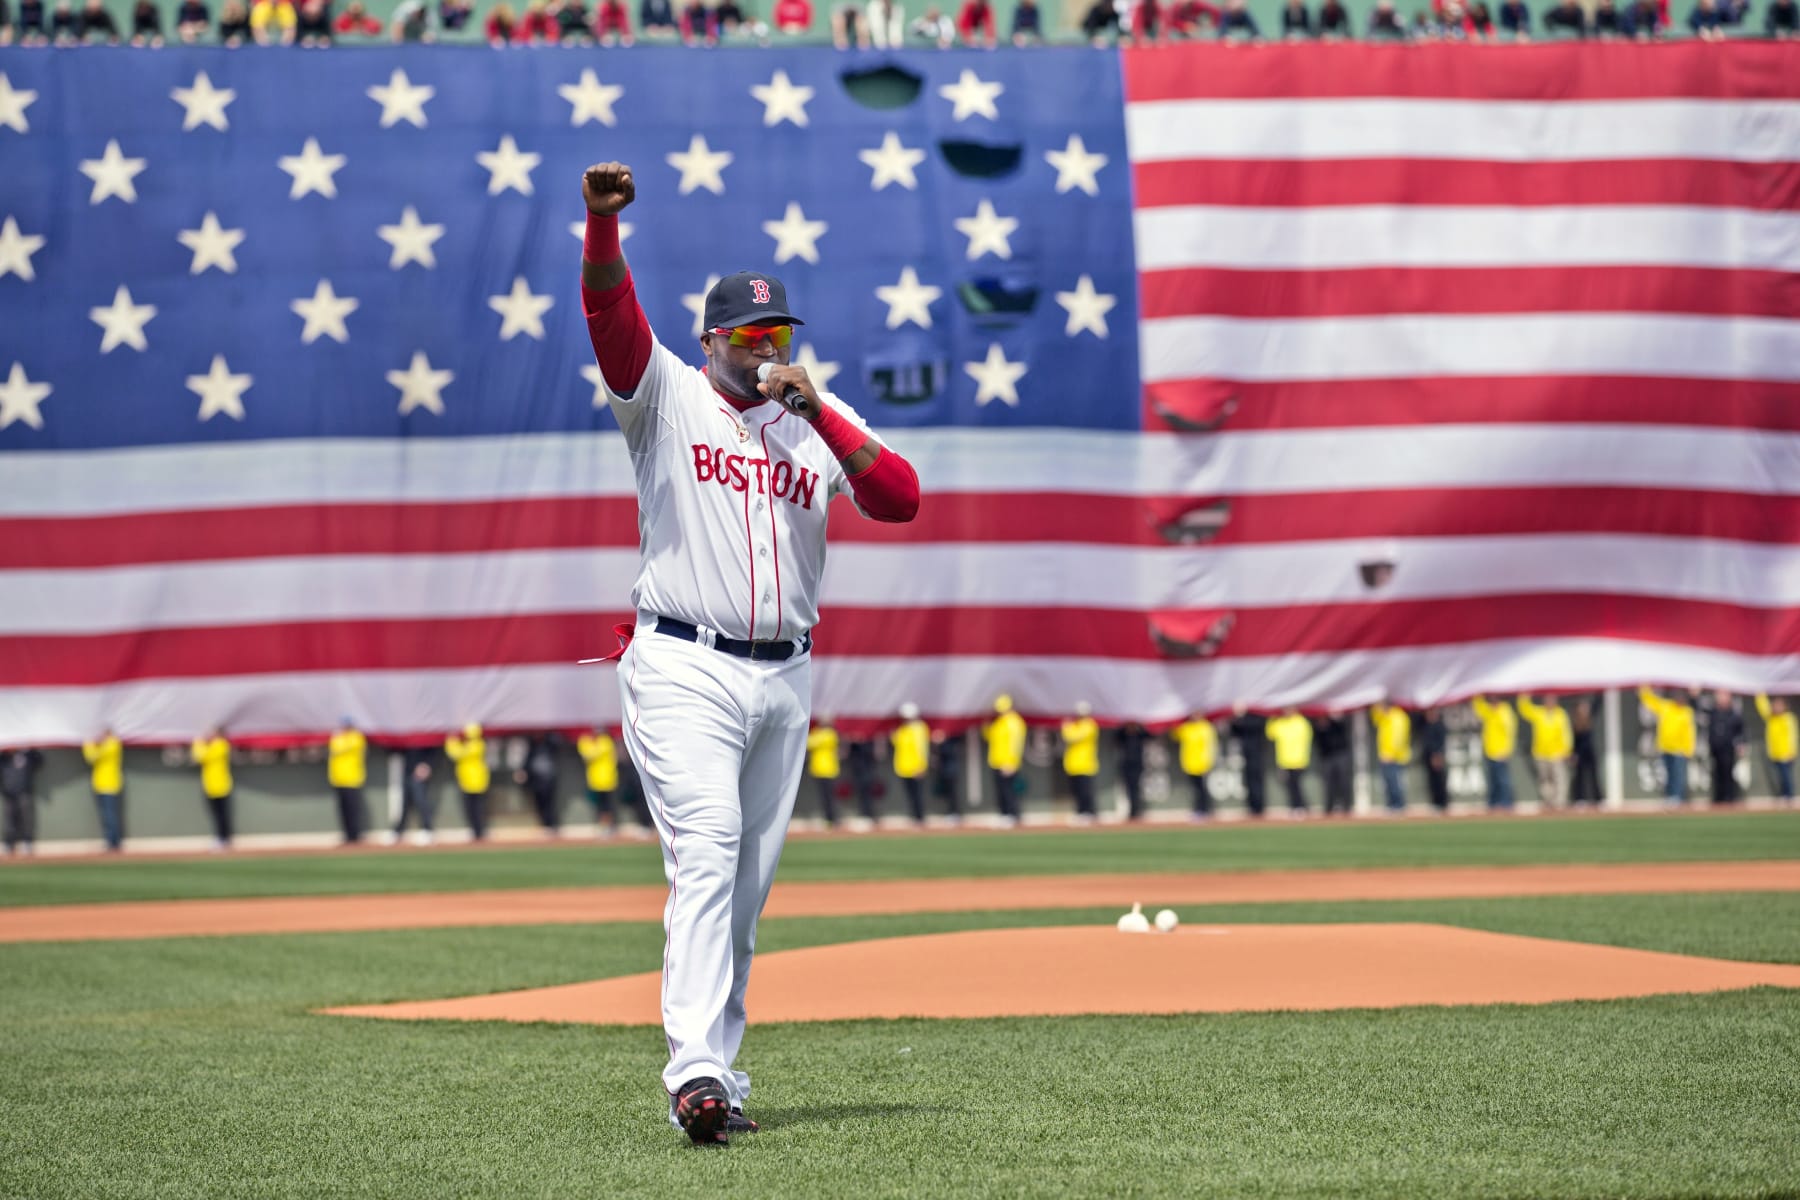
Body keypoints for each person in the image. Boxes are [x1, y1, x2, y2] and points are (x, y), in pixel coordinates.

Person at [578, 158, 921, 1146]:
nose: (768, 348)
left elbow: (898, 497)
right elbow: (611, 322)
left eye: (780, 333)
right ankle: (691, 1070)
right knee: (710, 852)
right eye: (751, 334)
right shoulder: (667, 399)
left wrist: (816, 410)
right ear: (713, 340)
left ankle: (718, 1071)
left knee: (747, 885)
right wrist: (603, 230)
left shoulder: (811, 426)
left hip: (785, 673)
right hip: (686, 660)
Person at [1639, 686, 1695, 805]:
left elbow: (1690, 733)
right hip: (1665, 748)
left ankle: (1677, 797)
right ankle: (1670, 796)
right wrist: (1644, 689)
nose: (1680, 699)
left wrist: (1688, 750)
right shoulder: (1666, 706)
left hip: (1679, 750)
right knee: (1667, 775)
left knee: (1678, 775)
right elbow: (1651, 701)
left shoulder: (1687, 712)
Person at [1516, 695, 1573, 809]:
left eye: (1552, 700)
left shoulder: (1560, 714)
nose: (1549, 702)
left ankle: (1560, 802)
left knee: (1560, 778)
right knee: (1545, 780)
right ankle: (1549, 802)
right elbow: (1525, 710)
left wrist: (1567, 750)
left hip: (1556, 752)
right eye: (1547, 700)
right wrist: (1524, 696)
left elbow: (1566, 733)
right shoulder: (1539, 712)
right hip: (1540, 752)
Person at [984, 694, 1028, 825]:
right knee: (1001, 791)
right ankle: (1004, 814)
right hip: (997, 761)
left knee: (1009, 791)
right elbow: (991, 736)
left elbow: (1016, 745)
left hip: (1007, 763)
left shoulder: (1014, 722)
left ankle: (1012, 814)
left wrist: (1011, 762)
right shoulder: (999, 722)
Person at [1470, 696, 1519, 811]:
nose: (1493, 700)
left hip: (1501, 752)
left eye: (1495, 698)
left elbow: (1510, 732)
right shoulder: (1488, 710)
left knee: (1503, 779)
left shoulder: (1505, 711)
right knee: (1492, 780)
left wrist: (1507, 750)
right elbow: (1478, 707)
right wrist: (1478, 693)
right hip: (1489, 751)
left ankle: (1506, 803)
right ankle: (1493, 803)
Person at [445, 723, 491, 841]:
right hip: (467, 782)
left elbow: (457, 753)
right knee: (470, 808)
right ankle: (476, 831)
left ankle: (479, 832)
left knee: (477, 808)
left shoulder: (476, 745)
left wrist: (451, 741)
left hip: (476, 782)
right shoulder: (473, 744)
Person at [191, 727, 234, 851]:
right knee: (216, 815)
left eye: (213, 733)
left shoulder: (221, 745)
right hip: (210, 787)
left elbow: (202, 756)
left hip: (221, 786)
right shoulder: (212, 746)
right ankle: (221, 838)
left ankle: (223, 839)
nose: (210, 735)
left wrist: (198, 742)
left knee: (222, 815)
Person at [83, 729, 125, 852]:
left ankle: (114, 842)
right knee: (106, 815)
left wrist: (89, 743)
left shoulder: (113, 744)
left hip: (110, 785)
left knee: (110, 815)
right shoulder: (103, 745)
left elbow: (93, 756)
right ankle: (111, 841)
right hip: (100, 785)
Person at [328, 717, 368, 846]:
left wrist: (339, 737)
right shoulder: (338, 738)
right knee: (343, 809)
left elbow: (340, 748)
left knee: (353, 809)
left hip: (352, 779)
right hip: (338, 780)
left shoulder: (356, 737)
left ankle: (355, 836)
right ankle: (347, 835)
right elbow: (333, 747)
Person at [890, 704, 932, 826]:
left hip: (915, 767)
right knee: (910, 794)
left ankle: (920, 817)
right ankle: (914, 816)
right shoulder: (903, 729)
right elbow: (896, 742)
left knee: (917, 794)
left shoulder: (919, 728)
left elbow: (922, 749)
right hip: (903, 767)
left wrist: (921, 766)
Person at [517, 732, 565, 836]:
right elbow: (526, 761)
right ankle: (545, 825)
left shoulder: (549, 744)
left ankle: (552, 826)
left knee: (549, 804)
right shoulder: (531, 746)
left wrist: (547, 734)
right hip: (536, 781)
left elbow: (557, 742)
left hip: (548, 779)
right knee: (539, 804)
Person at [1170, 712, 1217, 819]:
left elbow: (1210, 746)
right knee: (1195, 789)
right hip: (1189, 763)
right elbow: (1175, 735)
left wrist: (1208, 762)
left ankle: (1205, 809)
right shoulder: (1187, 727)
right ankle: (1199, 809)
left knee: (1202, 788)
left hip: (1202, 763)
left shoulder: (1206, 727)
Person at [1267, 708, 1313, 816]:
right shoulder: (1280, 722)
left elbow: (1307, 741)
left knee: (1296, 785)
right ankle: (1296, 807)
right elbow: (1270, 734)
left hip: (1298, 761)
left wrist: (1303, 758)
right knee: (1291, 786)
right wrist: (1272, 717)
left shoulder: (1302, 722)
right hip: (1284, 761)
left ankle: (1300, 807)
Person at [1060, 703, 1100, 823]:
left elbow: (1072, 736)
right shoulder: (1077, 725)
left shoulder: (1089, 725)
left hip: (1085, 764)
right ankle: (1081, 812)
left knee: (1085, 791)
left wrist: (1066, 727)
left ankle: (1088, 812)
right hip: (1073, 764)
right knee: (1077, 791)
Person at [578, 727, 623, 834]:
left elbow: (589, 754)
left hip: (607, 780)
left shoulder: (605, 742)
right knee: (600, 805)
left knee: (607, 805)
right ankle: (603, 826)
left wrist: (584, 741)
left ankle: (609, 826)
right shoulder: (595, 742)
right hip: (596, 781)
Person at [1369, 701, 1411, 814]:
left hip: (1395, 757)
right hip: (1385, 755)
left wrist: (1391, 753)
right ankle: (1391, 804)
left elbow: (1398, 737)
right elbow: (1375, 718)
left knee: (1395, 782)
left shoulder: (1398, 717)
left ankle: (1398, 805)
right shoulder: (1386, 717)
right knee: (1388, 782)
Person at [1, 746, 43, 856]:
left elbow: (39, 762)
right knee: (9, 819)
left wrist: (30, 749)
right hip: (8, 792)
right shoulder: (4, 756)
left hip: (24, 790)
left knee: (26, 817)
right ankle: (8, 843)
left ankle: (27, 842)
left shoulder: (27, 754)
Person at [1705, 692, 1745, 805]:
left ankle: (1729, 797)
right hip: (1715, 748)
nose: (1721, 698)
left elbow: (1741, 731)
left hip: (1728, 748)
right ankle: (1718, 798)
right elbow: (1698, 709)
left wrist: (1741, 744)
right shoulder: (1713, 712)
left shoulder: (1734, 714)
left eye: (1724, 696)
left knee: (1728, 773)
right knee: (1716, 774)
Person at [1228, 705, 1268, 817]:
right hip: (1246, 755)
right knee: (1248, 781)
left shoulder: (1256, 718)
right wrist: (1237, 718)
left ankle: (1259, 807)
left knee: (1257, 780)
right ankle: (1252, 806)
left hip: (1257, 753)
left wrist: (1241, 718)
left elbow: (1255, 725)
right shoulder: (1240, 719)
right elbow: (1235, 730)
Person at [393, 745, 438, 844]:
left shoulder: (425, 738)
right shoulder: (407, 739)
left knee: (421, 802)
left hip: (420, 773)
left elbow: (433, 748)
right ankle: (398, 831)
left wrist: (427, 765)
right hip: (407, 771)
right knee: (405, 804)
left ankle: (427, 830)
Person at [1755, 695, 1796, 803]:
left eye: (1779, 705)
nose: (1776, 707)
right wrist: (1759, 694)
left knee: (1786, 776)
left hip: (1786, 753)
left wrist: (1791, 752)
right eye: (1775, 705)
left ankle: (1789, 796)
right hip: (1774, 753)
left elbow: (1793, 736)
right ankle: (1782, 795)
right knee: (1778, 777)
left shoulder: (1788, 718)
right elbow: (1763, 707)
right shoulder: (1771, 717)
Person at [806, 717, 843, 827]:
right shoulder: (819, 733)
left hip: (828, 770)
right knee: (824, 796)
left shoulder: (829, 734)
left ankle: (833, 818)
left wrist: (814, 733)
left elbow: (810, 742)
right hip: (818, 769)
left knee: (829, 797)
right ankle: (829, 817)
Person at [1314, 712, 1353, 815]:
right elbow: (1318, 742)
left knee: (1343, 781)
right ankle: (1329, 807)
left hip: (1340, 754)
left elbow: (1342, 730)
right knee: (1328, 783)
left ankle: (1346, 806)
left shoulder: (1338, 724)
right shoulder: (1319, 728)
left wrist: (1335, 718)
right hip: (1326, 756)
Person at [1569, 698, 1601, 806]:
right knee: (1579, 777)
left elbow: (1597, 704)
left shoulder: (1589, 718)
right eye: (1582, 707)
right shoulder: (1575, 723)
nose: (1585, 709)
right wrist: (1574, 753)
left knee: (1594, 776)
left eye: (1586, 707)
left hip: (1590, 753)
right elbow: (1574, 741)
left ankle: (1598, 799)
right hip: (1579, 754)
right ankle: (1579, 798)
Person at [1115, 721, 1149, 820]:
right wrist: (1125, 727)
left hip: (1137, 764)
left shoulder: (1139, 734)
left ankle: (1137, 810)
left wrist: (1139, 727)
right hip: (1126, 764)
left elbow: (1149, 735)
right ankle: (1132, 811)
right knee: (1129, 789)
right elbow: (1116, 737)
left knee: (1136, 788)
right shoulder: (1123, 735)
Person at [1418, 707, 1450, 812]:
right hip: (1428, 756)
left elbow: (1441, 742)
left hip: (1437, 756)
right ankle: (1436, 803)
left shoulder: (1439, 725)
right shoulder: (1425, 725)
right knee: (1432, 781)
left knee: (1439, 780)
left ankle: (1443, 803)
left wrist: (1437, 754)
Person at [845, 736, 882, 826]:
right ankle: (866, 815)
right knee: (861, 793)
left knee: (869, 793)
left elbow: (876, 755)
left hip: (868, 774)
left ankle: (871, 815)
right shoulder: (854, 746)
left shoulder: (869, 743)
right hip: (859, 773)